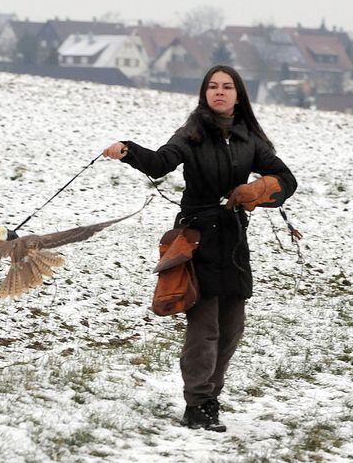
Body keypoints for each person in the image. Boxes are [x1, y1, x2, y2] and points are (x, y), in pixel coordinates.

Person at [102, 65, 297, 432]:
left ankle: (211, 397)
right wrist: (128, 150)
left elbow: (287, 180)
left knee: (231, 327)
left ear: (238, 95)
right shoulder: (191, 132)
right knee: (204, 327)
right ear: (204, 93)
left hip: (235, 241)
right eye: (212, 87)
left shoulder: (249, 138)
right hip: (197, 240)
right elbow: (160, 163)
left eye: (226, 87)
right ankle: (198, 404)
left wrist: (258, 190)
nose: (219, 92)